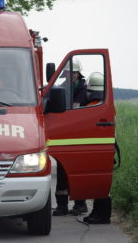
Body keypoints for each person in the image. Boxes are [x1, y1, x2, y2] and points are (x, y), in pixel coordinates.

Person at [53, 61, 88, 216]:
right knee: (62, 171)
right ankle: (62, 206)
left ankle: (80, 205)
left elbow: (76, 107)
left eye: (73, 73)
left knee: (77, 170)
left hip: (79, 133)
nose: (70, 75)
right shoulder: (61, 87)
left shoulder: (83, 88)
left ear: (78, 74)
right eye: (68, 73)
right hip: (63, 133)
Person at [82, 71, 112, 224]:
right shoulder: (105, 107)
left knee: (100, 183)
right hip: (103, 147)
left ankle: (102, 216)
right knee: (100, 182)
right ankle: (97, 213)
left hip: (97, 148)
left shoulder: (91, 107)